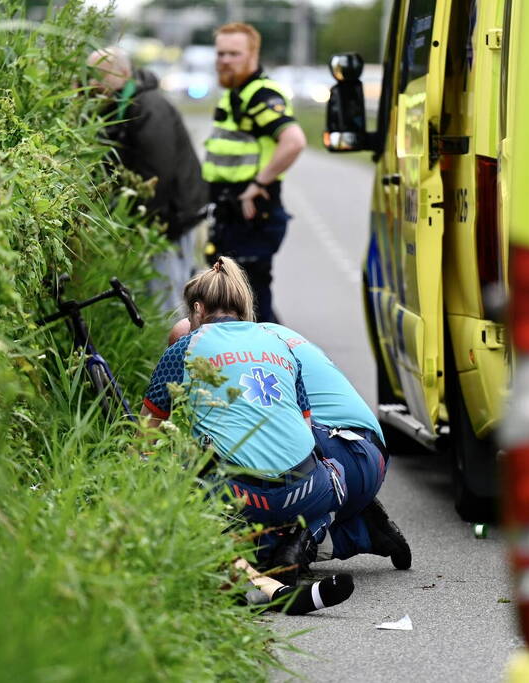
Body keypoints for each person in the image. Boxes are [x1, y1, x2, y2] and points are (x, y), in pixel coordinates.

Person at [141, 257, 344, 571]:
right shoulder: (279, 343)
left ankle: (240, 551)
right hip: (303, 490)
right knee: (336, 474)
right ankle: (302, 540)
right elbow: (306, 430)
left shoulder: (185, 348)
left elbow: (145, 434)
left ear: (197, 310)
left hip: (239, 497)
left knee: (175, 470)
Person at [258, 323, 411, 579]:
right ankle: (361, 531)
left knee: (257, 539)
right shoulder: (272, 334)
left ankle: (302, 537)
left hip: (339, 453)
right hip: (369, 457)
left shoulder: (238, 353)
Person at [88, 46, 208, 315]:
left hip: (170, 219)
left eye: (100, 74)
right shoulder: (122, 104)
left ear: (123, 72)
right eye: (90, 75)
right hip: (161, 218)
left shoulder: (148, 107)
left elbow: (156, 174)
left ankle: (179, 341)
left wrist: (141, 226)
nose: (93, 82)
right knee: (166, 292)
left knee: (169, 296)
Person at [202, 23, 306, 324]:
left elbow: (294, 141)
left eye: (234, 54)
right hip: (231, 214)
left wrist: (259, 183)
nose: (224, 60)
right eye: (220, 53)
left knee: (250, 303)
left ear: (253, 55)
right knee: (241, 301)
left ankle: (273, 352)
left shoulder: (260, 94)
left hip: (251, 214)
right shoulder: (236, 93)